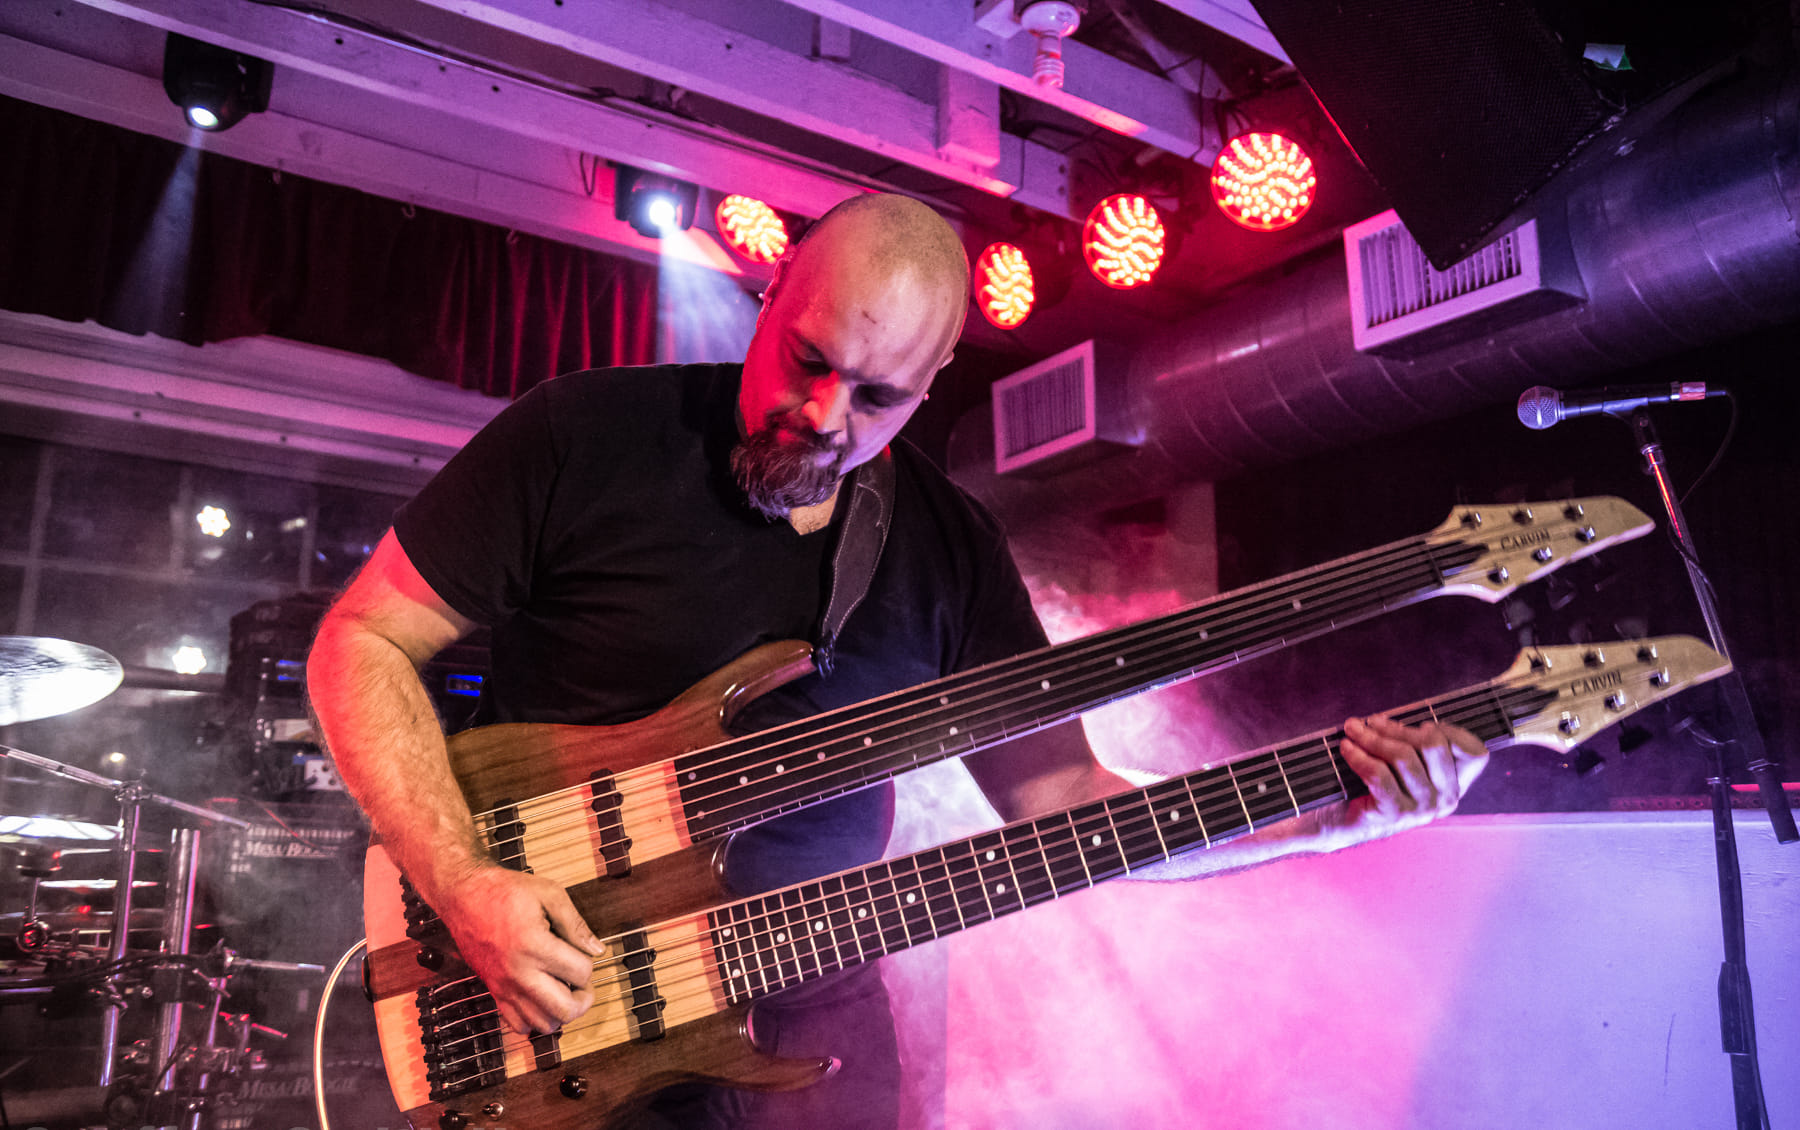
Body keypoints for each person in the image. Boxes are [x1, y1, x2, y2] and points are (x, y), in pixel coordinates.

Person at [307, 193, 1488, 1128]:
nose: (825, 415)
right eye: (807, 359)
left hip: (809, 1004)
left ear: (932, 387)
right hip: (547, 981)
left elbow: (1068, 799)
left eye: (876, 396)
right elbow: (361, 641)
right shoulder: (585, 435)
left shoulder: (948, 548)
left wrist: (1326, 816)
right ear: (771, 290)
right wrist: (462, 881)